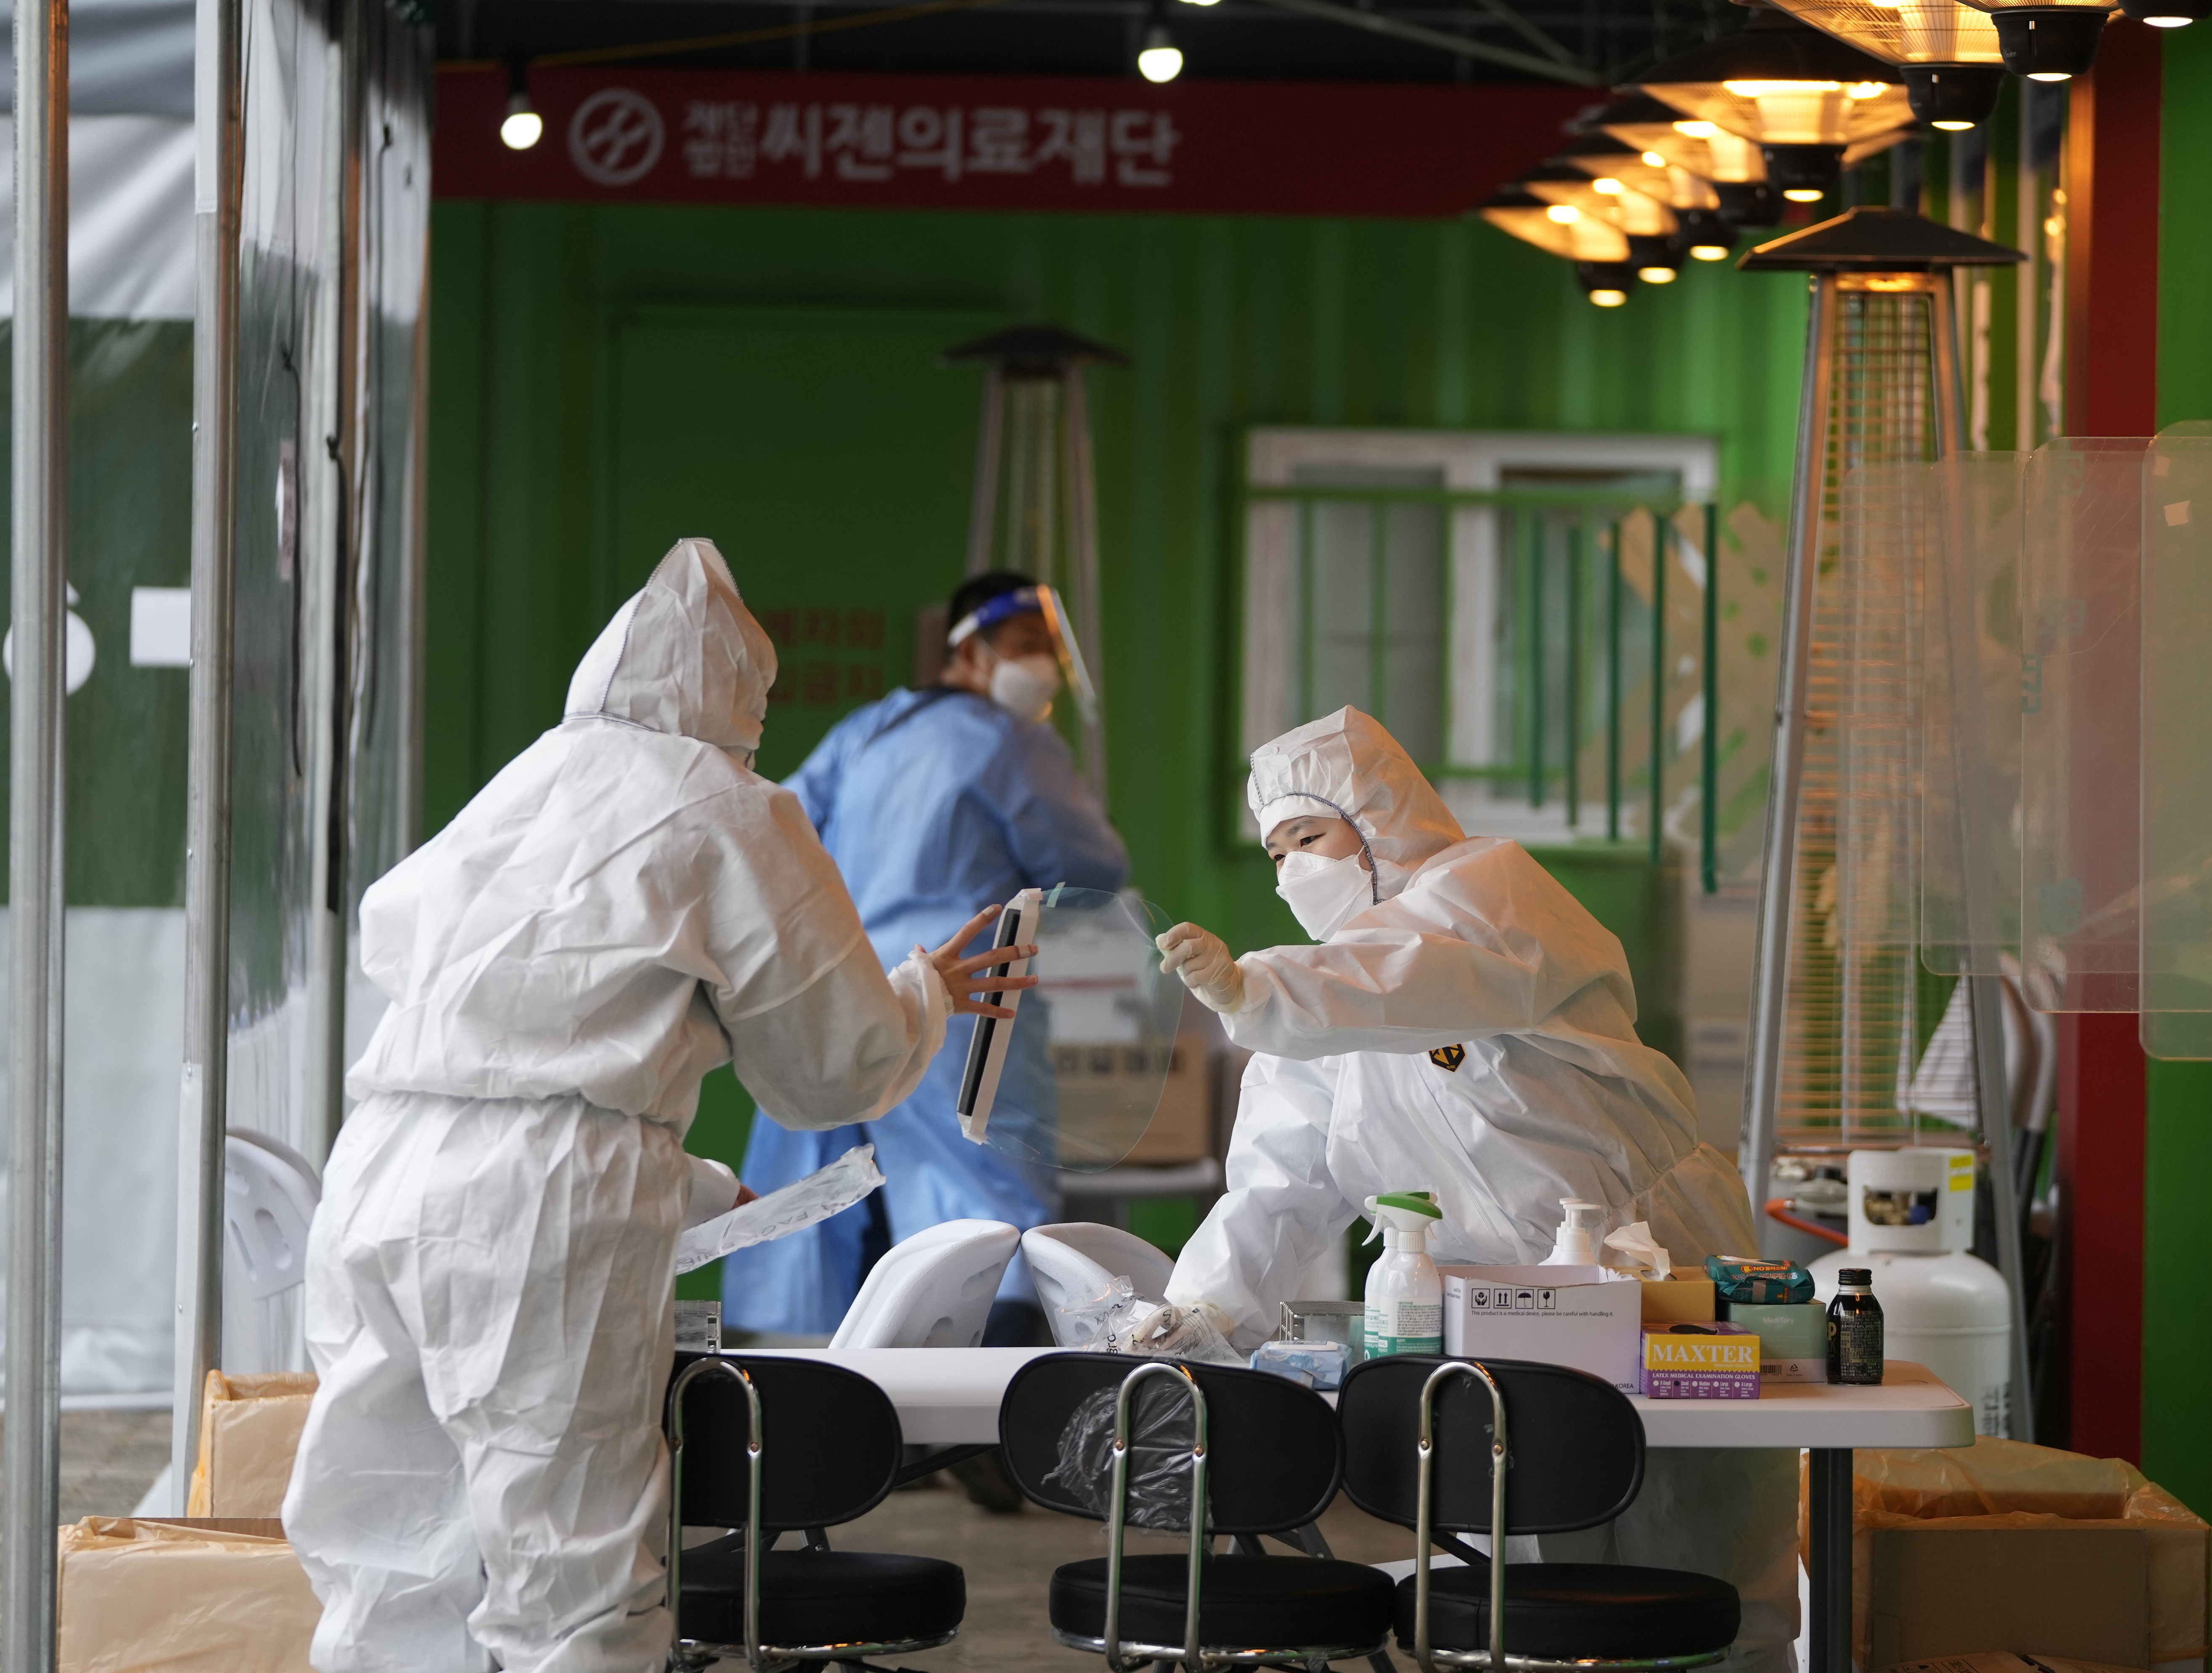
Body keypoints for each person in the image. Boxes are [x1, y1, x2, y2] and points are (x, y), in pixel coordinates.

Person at [282, 539, 1035, 1673]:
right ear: (739, 690)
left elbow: (438, 965)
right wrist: (925, 991)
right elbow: (832, 1067)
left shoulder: (527, 780)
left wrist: (680, 1182)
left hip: (381, 1166)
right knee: (571, 1577)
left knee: (385, 1546)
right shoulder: (730, 804)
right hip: (537, 1206)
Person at [1151, 706, 1795, 1673]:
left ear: (1381, 819)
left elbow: (1418, 973)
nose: (1292, 870)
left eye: (1311, 835)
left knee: (1695, 1567)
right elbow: (1279, 1182)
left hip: (1651, 1266)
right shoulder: (1309, 1016)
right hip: (1488, 1319)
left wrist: (1261, 992)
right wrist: (1198, 1310)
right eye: (1275, 850)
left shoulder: (1489, 893)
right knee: (1523, 1584)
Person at [725, 571, 1128, 1347]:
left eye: (1048, 649)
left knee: (827, 1203)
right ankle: (995, 1431)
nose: (1040, 665)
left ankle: (829, 1418)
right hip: (964, 998)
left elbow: (778, 827)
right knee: (984, 1203)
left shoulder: (869, 729)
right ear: (969, 651)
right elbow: (1091, 862)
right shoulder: (1014, 743)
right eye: (1024, 646)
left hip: (842, 998)